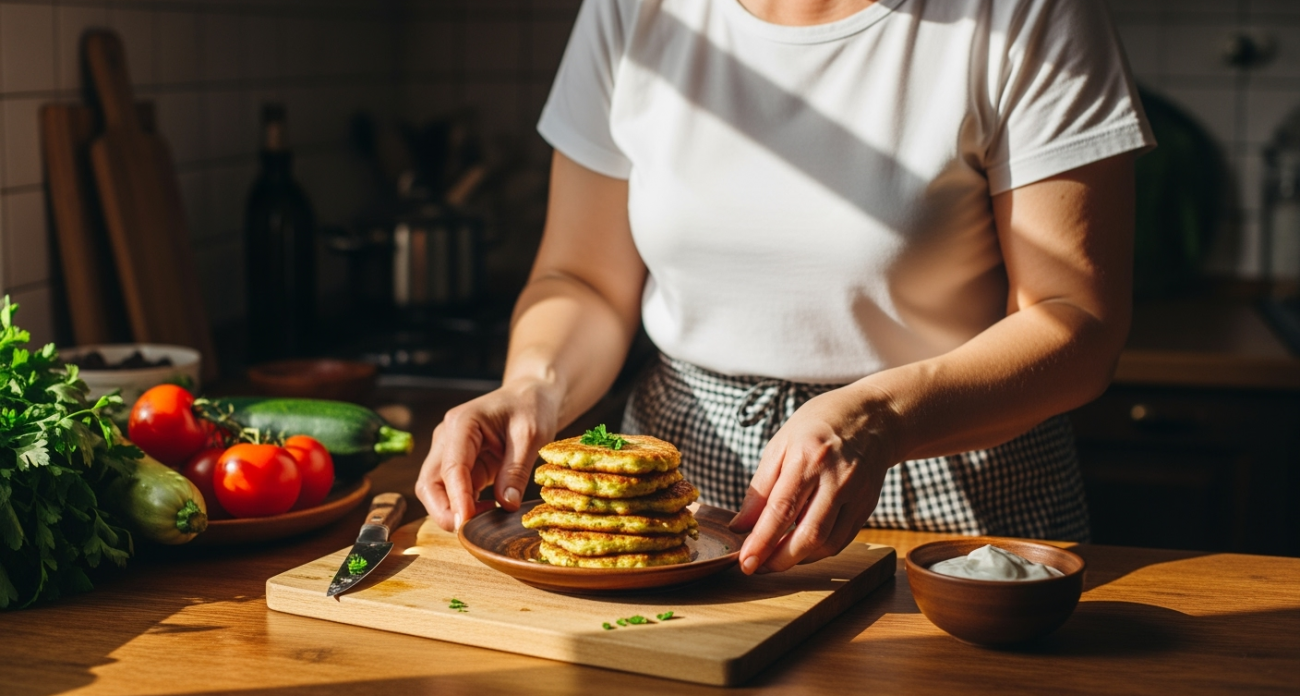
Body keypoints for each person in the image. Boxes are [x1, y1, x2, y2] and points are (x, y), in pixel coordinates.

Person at [417, 0, 1154, 575]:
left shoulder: (1026, 14)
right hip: (682, 471)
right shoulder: (630, 10)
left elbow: (1077, 321)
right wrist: (533, 389)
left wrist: (882, 417)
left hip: (945, 474)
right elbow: (580, 278)